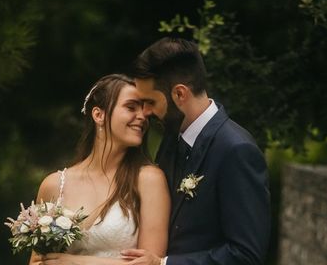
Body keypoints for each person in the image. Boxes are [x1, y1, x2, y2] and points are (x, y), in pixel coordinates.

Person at [122, 38, 270, 265]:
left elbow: (246, 255)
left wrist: (164, 264)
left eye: (150, 102)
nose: (146, 112)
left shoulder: (237, 150)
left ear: (180, 94)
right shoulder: (172, 139)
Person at [29, 74, 170, 265]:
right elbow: (37, 261)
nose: (143, 116)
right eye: (131, 107)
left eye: (145, 110)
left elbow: (151, 263)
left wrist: (74, 262)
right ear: (99, 115)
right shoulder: (54, 185)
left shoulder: (149, 180)